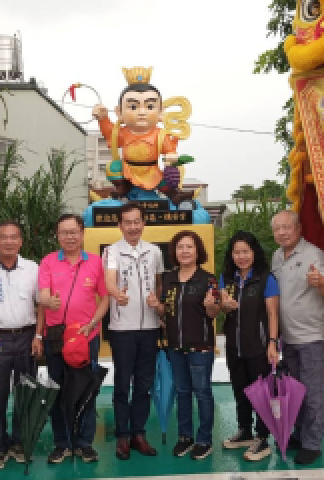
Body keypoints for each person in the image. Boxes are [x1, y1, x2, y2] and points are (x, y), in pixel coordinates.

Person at [38, 213, 110, 464]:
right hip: (57, 337)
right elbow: (42, 295)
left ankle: (85, 444)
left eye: (74, 232)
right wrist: (48, 301)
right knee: (57, 390)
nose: (69, 237)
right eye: (64, 232)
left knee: (86, 390)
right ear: (57, 236)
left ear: (82, 234)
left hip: (86, 336)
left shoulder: (95, 262)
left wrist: (93, 323)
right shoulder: (48, 262)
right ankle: (62, 443)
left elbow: (105, 298)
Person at [0, 220, 39, 471]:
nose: (9, 242)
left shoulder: (33, 269)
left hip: (26, 337)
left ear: (21, 241)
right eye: (4, 237)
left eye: (14, 237)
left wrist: (39, 336)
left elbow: (42, 305)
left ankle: (19, 443)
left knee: (25, 393)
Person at [150, 230, 219, 460]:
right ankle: (185, 437)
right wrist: (156, 306)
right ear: (174, 252)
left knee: (202, 393)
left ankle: (204, 439)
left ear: (197, 251)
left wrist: (211, 305)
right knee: (182, 393)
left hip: (200, 347)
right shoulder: (168, 278)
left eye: (189, 247)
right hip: (175, 348)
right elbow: (165, 310)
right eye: (180, 247)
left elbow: (213, 313)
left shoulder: (208, 279)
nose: (185, 251)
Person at [270, 210, 324, 466]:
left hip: (312, 336)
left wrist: (320, 282)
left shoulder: (314, 254)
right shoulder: (276, 257)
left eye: (287, 227)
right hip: (288, 338)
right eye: (277, 229)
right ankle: (298, 434)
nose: (282, 233)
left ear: (298, 229)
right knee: (293, 391)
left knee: (313, 393)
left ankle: (312, 444)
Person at [103, 203, 164, 460]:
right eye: (127, 222)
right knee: (122, 384)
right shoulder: (112, 251)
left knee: (144, 384)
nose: (132, 227)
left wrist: (157, 301)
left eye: (136, 221)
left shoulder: (155, 251)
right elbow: (109, 280)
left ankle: (139, 434)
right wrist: (117, 293)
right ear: (120, 225)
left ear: (143, 223)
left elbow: (159, 283)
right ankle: (122, 436)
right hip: (122, 329)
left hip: (150, 327)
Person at [218, 232, 280, 462]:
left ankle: (262, 438)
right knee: (240, 390)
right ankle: (245, 431)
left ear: (254, 253)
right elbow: (223, 307)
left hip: (259, 346)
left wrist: (272, 343)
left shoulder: (266, 278)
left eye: (245, 251)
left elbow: (273, 314)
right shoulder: (227, 278)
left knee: (261, 393)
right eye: (237, 252)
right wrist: (225, 305)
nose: (241, 256)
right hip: (234, 346)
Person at [91, 68, 193, 204]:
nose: (142, 112)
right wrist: (103, 118)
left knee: (164, 181)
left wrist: (171, 156)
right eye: (133, 107)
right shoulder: (123, 132)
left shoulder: (160, 134)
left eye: (149, 106)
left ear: (161, 112)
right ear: (119, 112)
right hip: (127, 169)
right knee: (113, 167)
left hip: (151, 170)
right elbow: (110, 134)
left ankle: (175, 195)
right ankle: (123, 187)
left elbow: (169, 150)